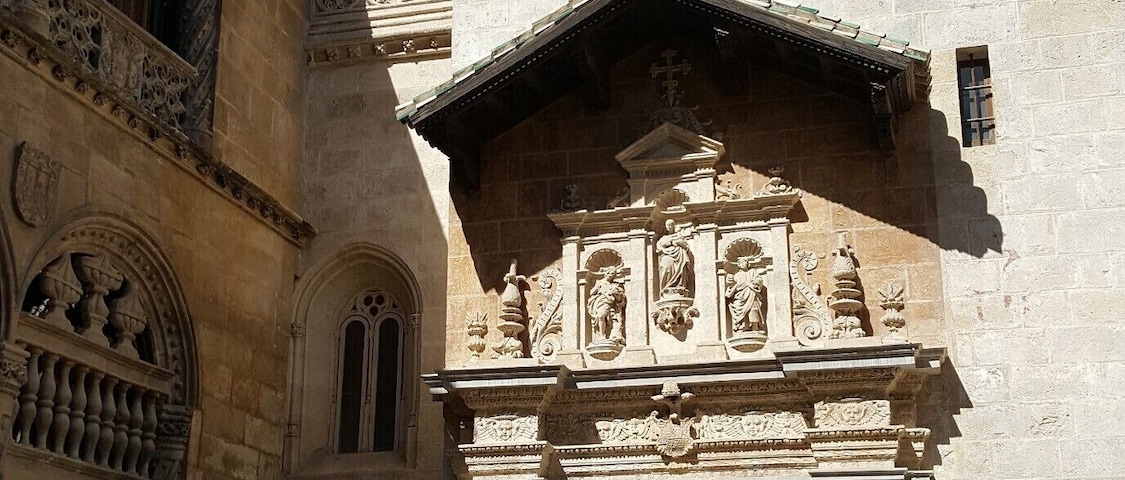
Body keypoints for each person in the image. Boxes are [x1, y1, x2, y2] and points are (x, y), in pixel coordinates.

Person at [587, 265, 625, 344]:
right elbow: (591, 292)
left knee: (603, 316)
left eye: (613, 273)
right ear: (607, 272)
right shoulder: (600, 282)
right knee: (601, 316)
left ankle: (605, 334)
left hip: (609, 303)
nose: (611, 275)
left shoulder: (614, 285)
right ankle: (601, 335)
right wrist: (597, 288)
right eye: (610, 273)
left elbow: (619, 300)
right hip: (599, 302)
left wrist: (617, 293)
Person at [725, 257, 765, 332]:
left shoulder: (753, 271)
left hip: (752, 295)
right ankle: (742, 326)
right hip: (740, 296)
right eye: (739, 263)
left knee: (753, 310)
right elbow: (733, 286)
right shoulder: (737, 275)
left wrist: (755, 282)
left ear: (747, 263)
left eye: (743, 262)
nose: (741, 264)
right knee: (741, 311)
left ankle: (755, 328)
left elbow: (759, 280)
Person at [657, 219, 692, 296]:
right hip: (667, 255)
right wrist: (670, 243)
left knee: (682, 268)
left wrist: (678, 242)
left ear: (673, 226)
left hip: (679, 255)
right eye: (667, 225)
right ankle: (665, 288)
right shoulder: (663, 238)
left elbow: (686, 246)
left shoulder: (678, 236)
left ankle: (680, 285)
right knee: (666, 268)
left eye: (670, 225)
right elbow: (659, 248)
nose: (669, 227)